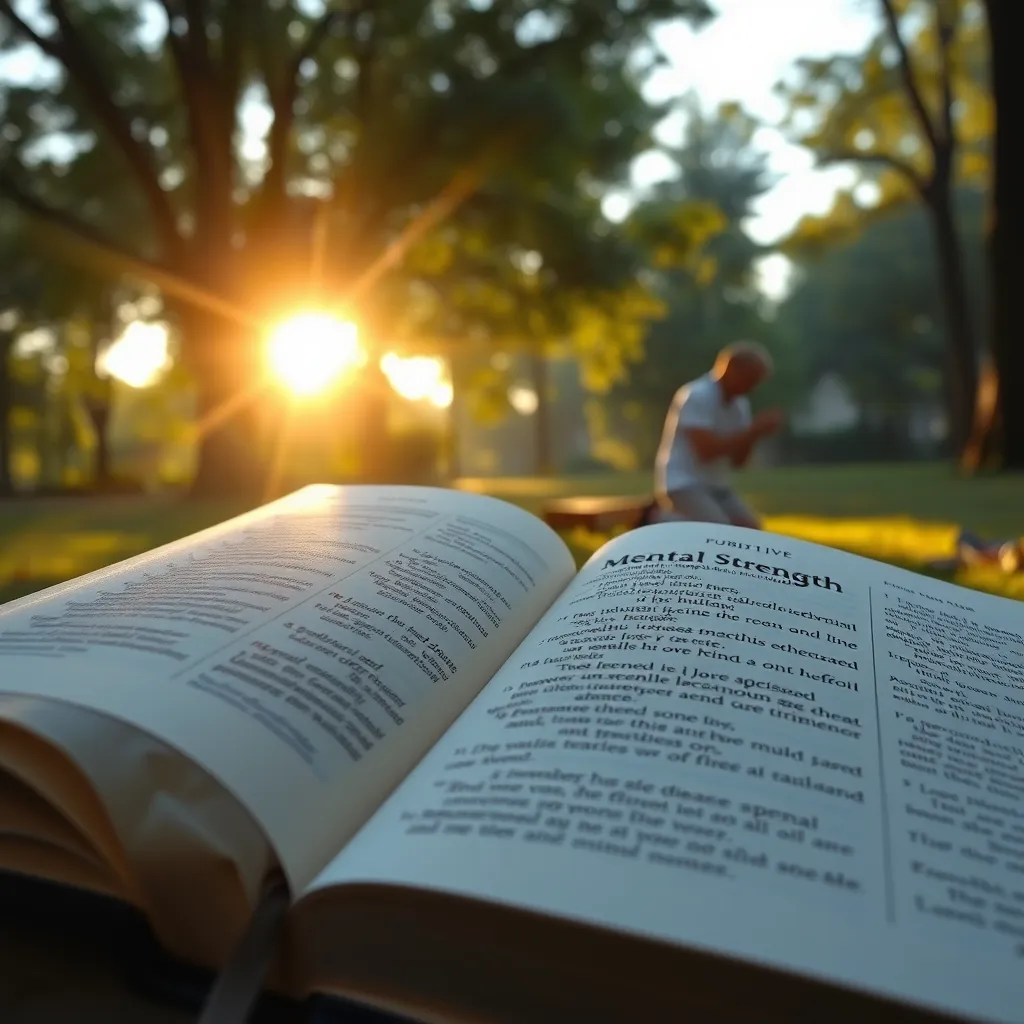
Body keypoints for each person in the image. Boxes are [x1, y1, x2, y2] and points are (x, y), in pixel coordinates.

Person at [654, 341, 783, 529]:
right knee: (719, 532)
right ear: (732, 369)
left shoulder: (740, 405)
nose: (753, 387)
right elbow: (706, 451)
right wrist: (752, 431)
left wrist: (755, 435)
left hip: (717, 486)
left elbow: (739, 462)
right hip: (683, 483)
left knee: (752, 532)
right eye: (751, 378)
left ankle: (670, 521)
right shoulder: (696, 395)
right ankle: (658, 520)